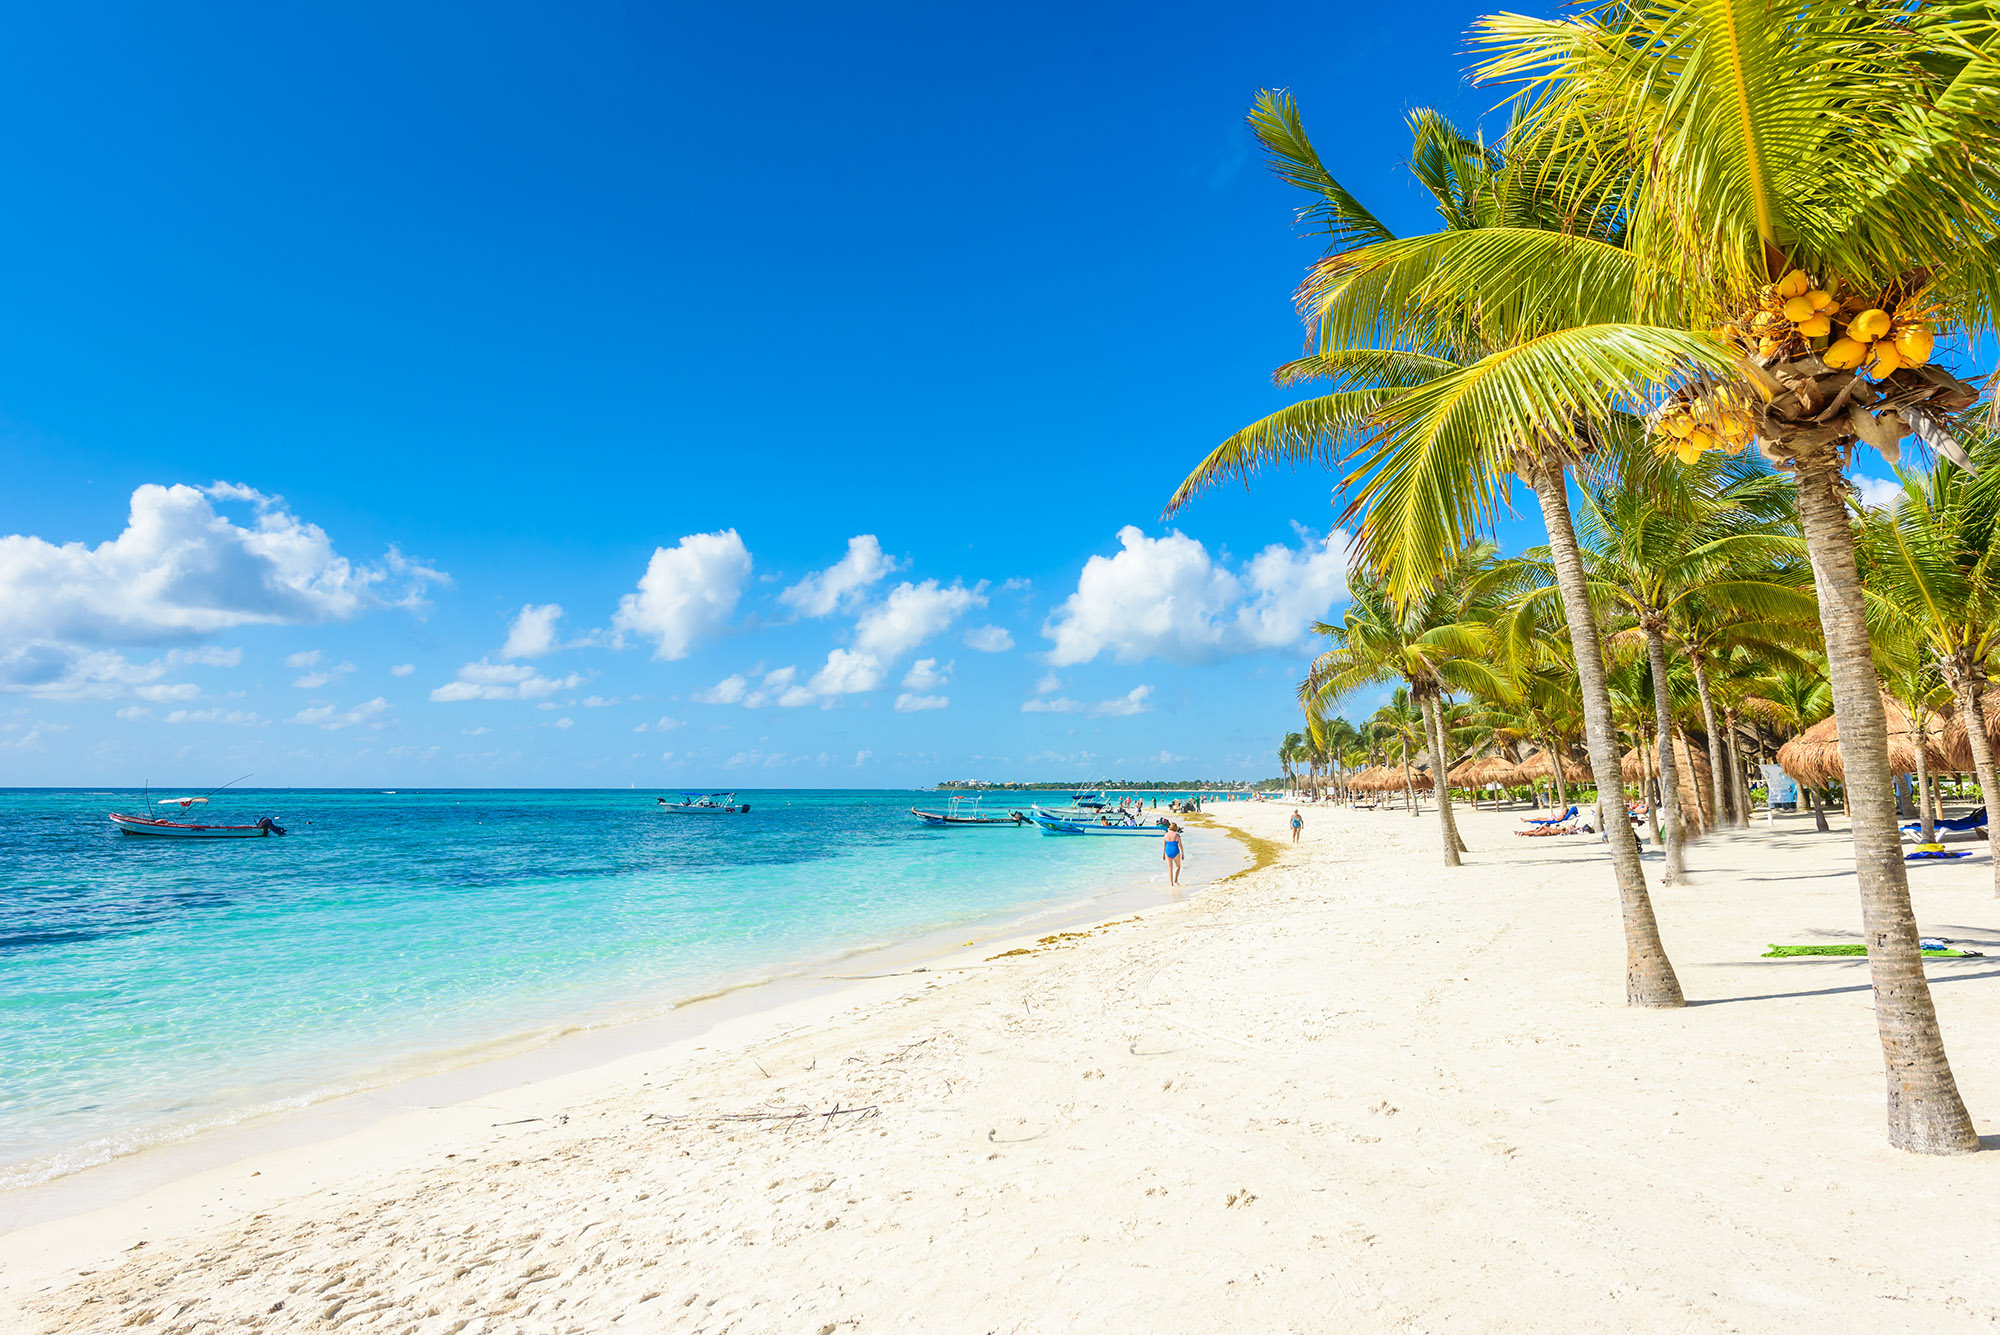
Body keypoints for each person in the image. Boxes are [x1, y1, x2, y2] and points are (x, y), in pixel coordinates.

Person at [1162, 822, 1184, 888]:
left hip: (1168, 851)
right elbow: (1180, 845)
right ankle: (1176, 880)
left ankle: (1171, 884)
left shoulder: (1165, 835)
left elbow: (1164, 846)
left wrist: (1163, 854)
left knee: (1170, 868)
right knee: (1178, 866)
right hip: (1175, 851)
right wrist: (1183, 853)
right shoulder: (1177, 835)